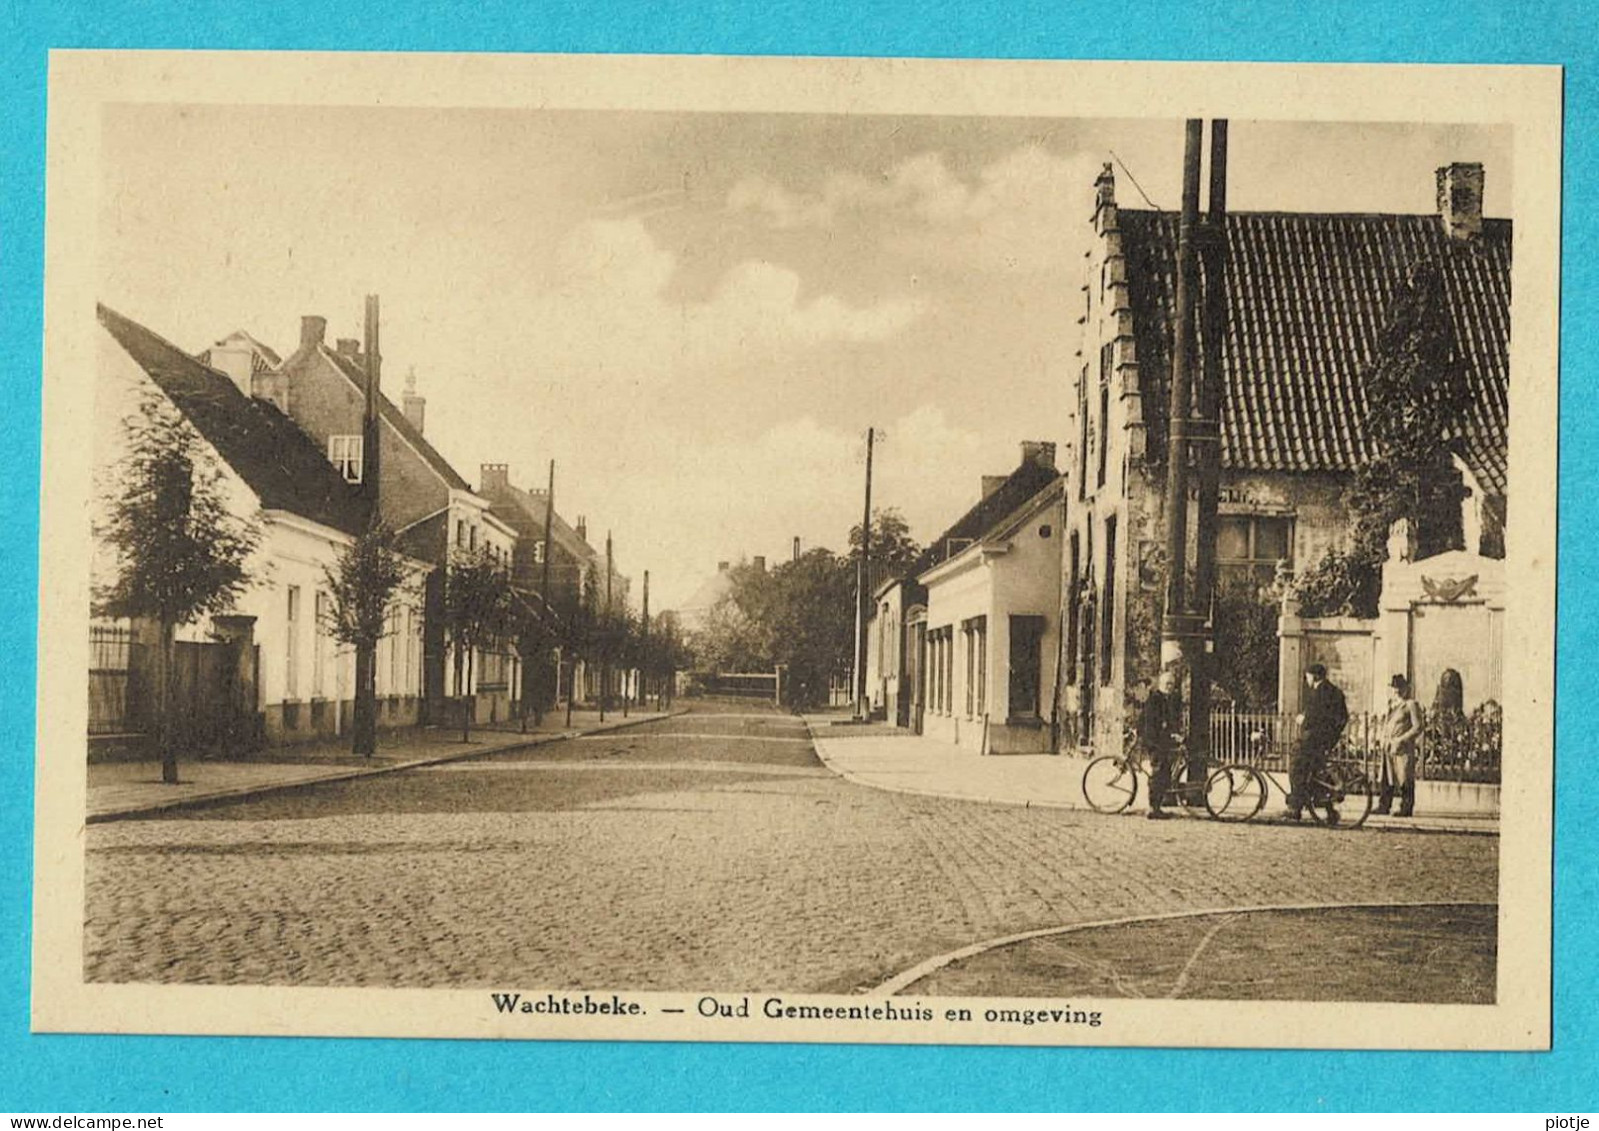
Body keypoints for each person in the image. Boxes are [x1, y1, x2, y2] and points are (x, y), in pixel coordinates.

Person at [1284, 662, 1348, 821]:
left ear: (1315, 676)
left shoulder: (1319, 692)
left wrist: (1302, 720)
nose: (1307, 679)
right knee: (1314, 773)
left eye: (1308, 676)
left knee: (1295, 765)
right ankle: (1330, 812)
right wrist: (1333, 736)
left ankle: (1295, 807)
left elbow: (1314, 716)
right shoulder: (1334, 691)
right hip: (1326, 739)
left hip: (1314, 738)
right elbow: (1343, 717)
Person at [1377, 674, 1425, 817]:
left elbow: (1418, 727)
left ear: (1406, 689)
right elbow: (1386, 724)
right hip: (1389, 747)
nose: (1397, 691)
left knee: (1405, 778)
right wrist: (1382, 738)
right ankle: (1383, 806)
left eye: (1400, 688)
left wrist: (1402, 739)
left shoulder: (1411, 705)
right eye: (1395, 688)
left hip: (1402, 748)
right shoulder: (1391, 705)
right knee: (1386, 777)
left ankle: (1406, 807)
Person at [1140, 667, 1181, 820]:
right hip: (1154, 741)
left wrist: (1174, 734)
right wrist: (1156, 741)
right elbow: (1151, 724)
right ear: (1161, 684)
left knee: (1165, 773)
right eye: (1167, 683)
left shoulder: (1169, 699)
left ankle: (1158, 806)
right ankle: (1152, 808)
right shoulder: (1154, 699)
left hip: (1163, 741)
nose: (1170, 686)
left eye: (1172, 684)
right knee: (1158, 772)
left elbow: (1170, 722)